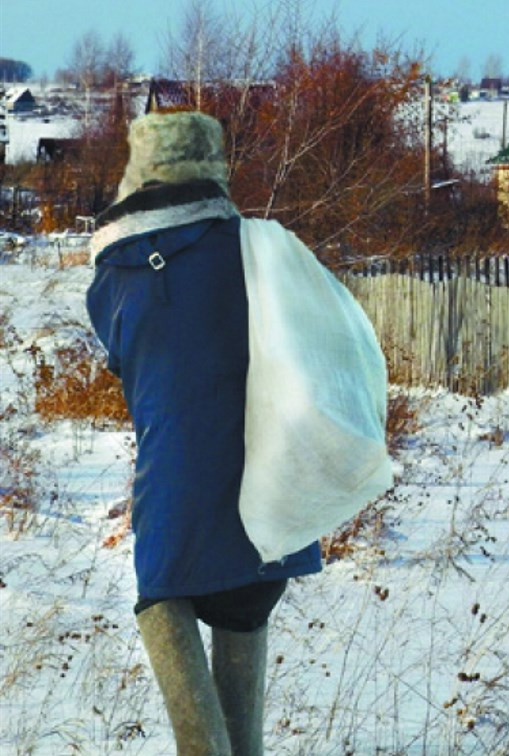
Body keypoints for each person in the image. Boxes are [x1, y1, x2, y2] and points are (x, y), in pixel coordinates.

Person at [87, 111, 322, 755]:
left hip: (174, 491)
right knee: (245, 623)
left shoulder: (111, 280)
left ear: (139, 174)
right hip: (269, 489)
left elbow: (127, 361)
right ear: (214, 167)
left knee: (162, 601)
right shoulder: (260, 249)